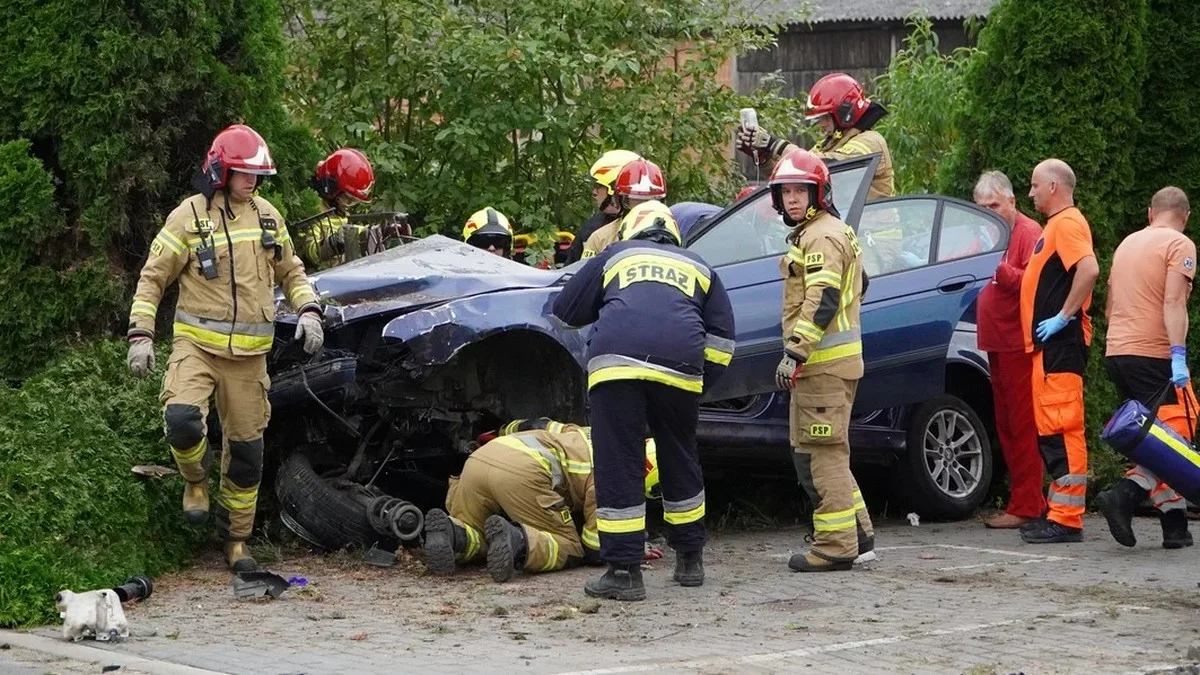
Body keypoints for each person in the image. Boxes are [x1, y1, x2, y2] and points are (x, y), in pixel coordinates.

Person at [126, 124, 324, 572]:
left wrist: (310, 310)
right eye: (242, 172)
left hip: (250, 359)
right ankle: (195, 480)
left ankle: (237, 539)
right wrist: (141, 333)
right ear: (219, 170)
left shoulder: (269, 217)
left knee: (248, 454)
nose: (251, 181)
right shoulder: (188, 217)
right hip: (196, 347)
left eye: (257, 174)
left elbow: (292, 271)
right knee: (181, 420)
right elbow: (153, 278)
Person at [552, 200, 735, 601]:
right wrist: (697, 383)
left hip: (617, 366)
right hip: (682, 369)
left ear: (631, 229)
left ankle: (624, 571)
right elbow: (722, 342)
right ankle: (690, 561)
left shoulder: (616, 254)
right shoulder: (701, 267)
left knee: (620, 462)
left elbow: (565, 310)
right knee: (679, 455)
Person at [767, 149, 874, 572]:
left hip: (821, 367)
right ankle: (858, 532)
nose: (792, 200)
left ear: (818, 192)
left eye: (799, 191)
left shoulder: (820, 237)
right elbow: (860, 283)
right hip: (833, 366)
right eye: (785, 192)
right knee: (830, 449)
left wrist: (795, 351)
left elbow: (823, 298)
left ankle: (834, 545)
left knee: (819, 453)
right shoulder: (833, 231)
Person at [422, 418, 662, 582]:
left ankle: (453, 535)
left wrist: (502, 428)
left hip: (480, 459)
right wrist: (630, 546)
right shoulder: (618, 473)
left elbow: (537, 424)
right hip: (523, 471)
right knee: (569, 546)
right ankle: (517, 541)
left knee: (473, 527)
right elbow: (595, 549)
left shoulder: (585, 432)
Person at [1095, 186, 1197, 549]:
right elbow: (1173, 301)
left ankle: (1174, 524)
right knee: (1176, 437)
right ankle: (1124, 494)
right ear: (1184, 216)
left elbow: (1108, 308)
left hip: (1118, 350)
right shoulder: (1179, 245)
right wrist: (1178, 353)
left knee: (1147, 439)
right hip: (1153, 353)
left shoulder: (1127, 244)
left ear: (1150, 213)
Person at [1018, 159, 1099, 544]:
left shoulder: (1066, 224)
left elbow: (1089, 269)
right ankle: (1060, 512)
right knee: (1051, 430)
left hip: (1059, 344)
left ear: (1053, 186)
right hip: (1048, 347)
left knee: (1063, 429)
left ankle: (1067, 519)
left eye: (1035, 186)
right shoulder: (1057, 226)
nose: (1030, 193)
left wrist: (1064, 316)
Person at [972, 171, 1046, 529]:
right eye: (982, 207)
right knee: (1006, 424)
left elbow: (1037, 284)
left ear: (1012, 202)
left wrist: (1001, 272)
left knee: (1022, 424)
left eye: (994, 205)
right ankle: (1024, 500)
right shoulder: (986, 233)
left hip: (1019, 342)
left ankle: (1028, 505)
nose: (989, 212)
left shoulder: (1028, 233)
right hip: (998, 342)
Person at [736, 73, 894, 201]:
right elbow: (797, 180)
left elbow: (826, 166)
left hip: (876, 235)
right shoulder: (830, 144)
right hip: (849, 231)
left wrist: (775, 145)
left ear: (845, 112)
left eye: (825, 117)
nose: (821, 123)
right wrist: (764, 157)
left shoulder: (871, 141)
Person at [294, 148, 378, 270]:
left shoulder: (337, 211)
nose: (348, 205)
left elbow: (351, 231)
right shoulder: (313, 211)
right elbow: (311, 253)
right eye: (348, 199)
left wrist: (375, 232)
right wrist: (332, 244)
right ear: (331, 187)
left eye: (353, 201)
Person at [564, 150, 642, 264]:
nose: (594, 192)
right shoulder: (592, 230)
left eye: (599, 186)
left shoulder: (658, 225)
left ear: (616, 189)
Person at [580, 158, 667, 258]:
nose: (643, 207)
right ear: (621, 200)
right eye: (636, 200)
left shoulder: (678, 233)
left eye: (650, 201)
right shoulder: (600, 239)